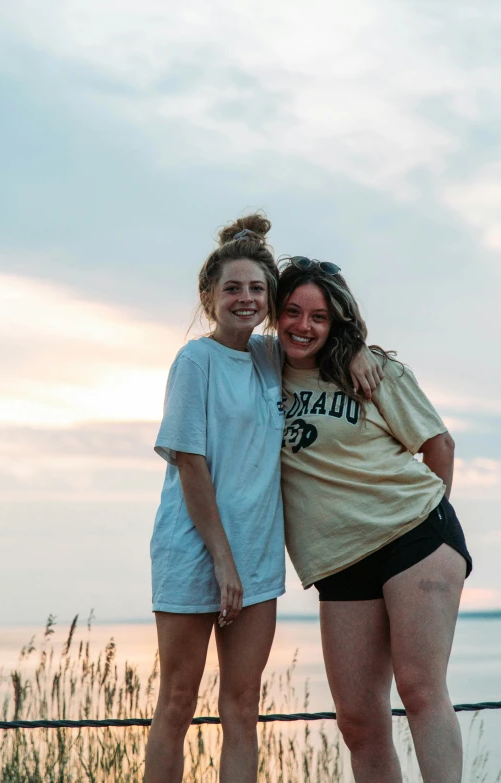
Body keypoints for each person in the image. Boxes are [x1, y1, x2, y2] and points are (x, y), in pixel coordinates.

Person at [145, 218, 381, 783]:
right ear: (210, 297)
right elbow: (190, 465)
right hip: (194, 552)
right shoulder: (194, 362)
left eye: (257, 289)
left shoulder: (271, 357)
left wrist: (355, 352)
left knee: (242, 709)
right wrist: (223, 563)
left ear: (269, 300)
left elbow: (320, 333)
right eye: (233, 288)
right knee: (178, 703)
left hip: (256, 557)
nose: (245, 299)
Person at [276, 257, 472, 783]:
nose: (303, 326)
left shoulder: (375, 370)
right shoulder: (260, 371)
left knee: (420, 688)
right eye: (292, 311)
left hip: (415, 537)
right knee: (359, 720)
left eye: (318, 317)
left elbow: (439, 445)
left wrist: (429, 518)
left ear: (336, 322)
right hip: (339, 560)